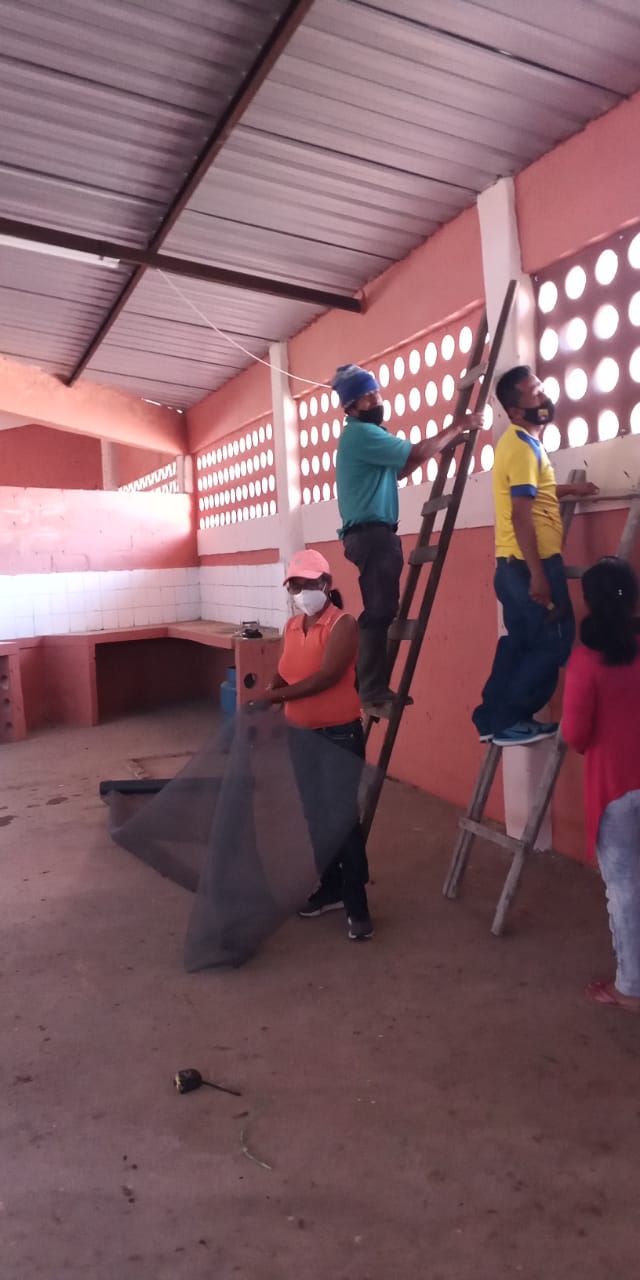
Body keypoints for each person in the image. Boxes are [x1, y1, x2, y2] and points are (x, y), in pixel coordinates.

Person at [332, 363, 483, 711]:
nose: (376, 399)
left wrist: (439, 444)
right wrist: (458, 427)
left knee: (381, 609)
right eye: (367, 396)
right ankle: (371, 690)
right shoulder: (361, 435)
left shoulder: (365, 435)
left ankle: (366, 684)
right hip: (371, 535)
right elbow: (415, 453)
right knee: (380, 610)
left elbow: (401, 468)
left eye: (376, 393)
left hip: (372, 534)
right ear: (351, 407)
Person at [472, 365, 598, 747]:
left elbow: (533, 493)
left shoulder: (518, 444)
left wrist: (568, 491)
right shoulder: (523, 448)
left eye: (541, 389)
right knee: (553, 641)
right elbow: (520, 515)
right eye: (535, 393)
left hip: (512, 566)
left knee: (521, 642)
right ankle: (510, 720)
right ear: (515, 410)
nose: (544, 397)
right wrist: (539, 575)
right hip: (530, 566)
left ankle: (491, 718)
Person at [265, 548, 373, 941]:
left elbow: (327, 676)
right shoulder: (293, 626)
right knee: (315, 815)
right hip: (301, 734)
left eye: (308, 584)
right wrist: (272, 689)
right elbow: (285, 672)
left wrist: (276, 697)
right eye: (294, 585)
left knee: (342, 817)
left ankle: (356, 902)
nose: (301, 592)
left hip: (338, 734)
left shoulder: (342, 624)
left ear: (326, 584)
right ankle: (330, 886)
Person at [562, 557, 640, 1014]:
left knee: (625, 887)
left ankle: (630, 987)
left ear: (588, 602)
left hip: (616, 788)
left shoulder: (586, 661)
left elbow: (574, 734)